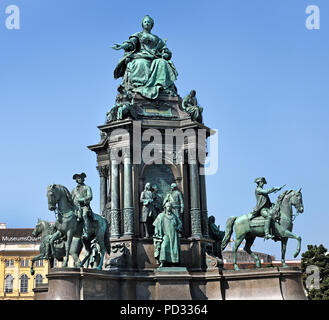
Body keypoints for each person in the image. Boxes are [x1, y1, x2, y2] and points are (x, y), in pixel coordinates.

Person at [112, 15, 178, 99]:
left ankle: (160, 87)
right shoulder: (138, 35)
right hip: (140, 56)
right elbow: (130, 43)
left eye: (149, 22)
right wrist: (122, 46)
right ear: (142, 24)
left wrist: (166, 54)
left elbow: (165, 50)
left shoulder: (157, 38)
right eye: (145, 22)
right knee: (141, 63)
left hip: (154, 57)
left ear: (152, 25)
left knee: (162, 63)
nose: (147, 23)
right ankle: (139, 87)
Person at [153, 202, 182, 267]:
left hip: (173, 235)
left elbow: (180, 223)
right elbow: (156, 225)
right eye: (168, 206)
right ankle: (162, 261)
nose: (169, 208)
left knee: (174, 248)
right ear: (165, 208)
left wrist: (177, 228)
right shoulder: (161, 216)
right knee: (164, 246)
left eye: (170, 207)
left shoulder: (174, 216)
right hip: (165, 235)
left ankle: (174, 262)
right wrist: (157, 233)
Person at [71, 173, 94, 239]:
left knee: (84, 215)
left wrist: (82, 199)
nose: (79, 179)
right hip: (76, 207)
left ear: (83, 179)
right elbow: (70, 198)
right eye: (78, 178)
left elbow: (90, 196)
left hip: (84, 206)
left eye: (81, 178)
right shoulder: (74, 190)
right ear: (76, 180)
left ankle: (86, 232)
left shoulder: (87, 187)